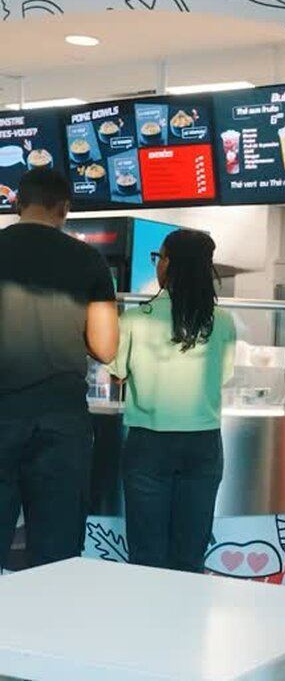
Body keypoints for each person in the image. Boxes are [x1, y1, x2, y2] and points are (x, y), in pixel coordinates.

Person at [0, 169, 118, 569]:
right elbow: (105, 348)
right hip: (61, 420)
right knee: (57, 555)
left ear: (18, 203)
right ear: (64, 208)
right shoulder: (88, 260)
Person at [109, 229, 235, 573]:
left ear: (169, 264)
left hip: (148, 444)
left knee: (147, 557)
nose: (158, 264)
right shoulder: (222, 321)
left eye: (159, 257)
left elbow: (117, 372)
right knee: (190, 556)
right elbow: (223, 376)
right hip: (203, 443)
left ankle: (148, 610)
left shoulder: (134, 319)